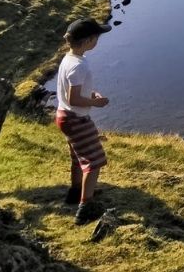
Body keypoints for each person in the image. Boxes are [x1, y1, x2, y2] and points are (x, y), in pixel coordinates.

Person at [55, 17, 113, 225]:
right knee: (94, 162)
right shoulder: (79, 66)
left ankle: (75, 191)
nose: (97, 40)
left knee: (78, 158)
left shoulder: (69, 59)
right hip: (76, 118)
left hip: (64, 116)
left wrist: (91, 94)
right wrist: (95, 103)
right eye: (96, 37)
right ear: (89, 40)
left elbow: (72, 90)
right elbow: (74, 98)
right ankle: (85, 207)